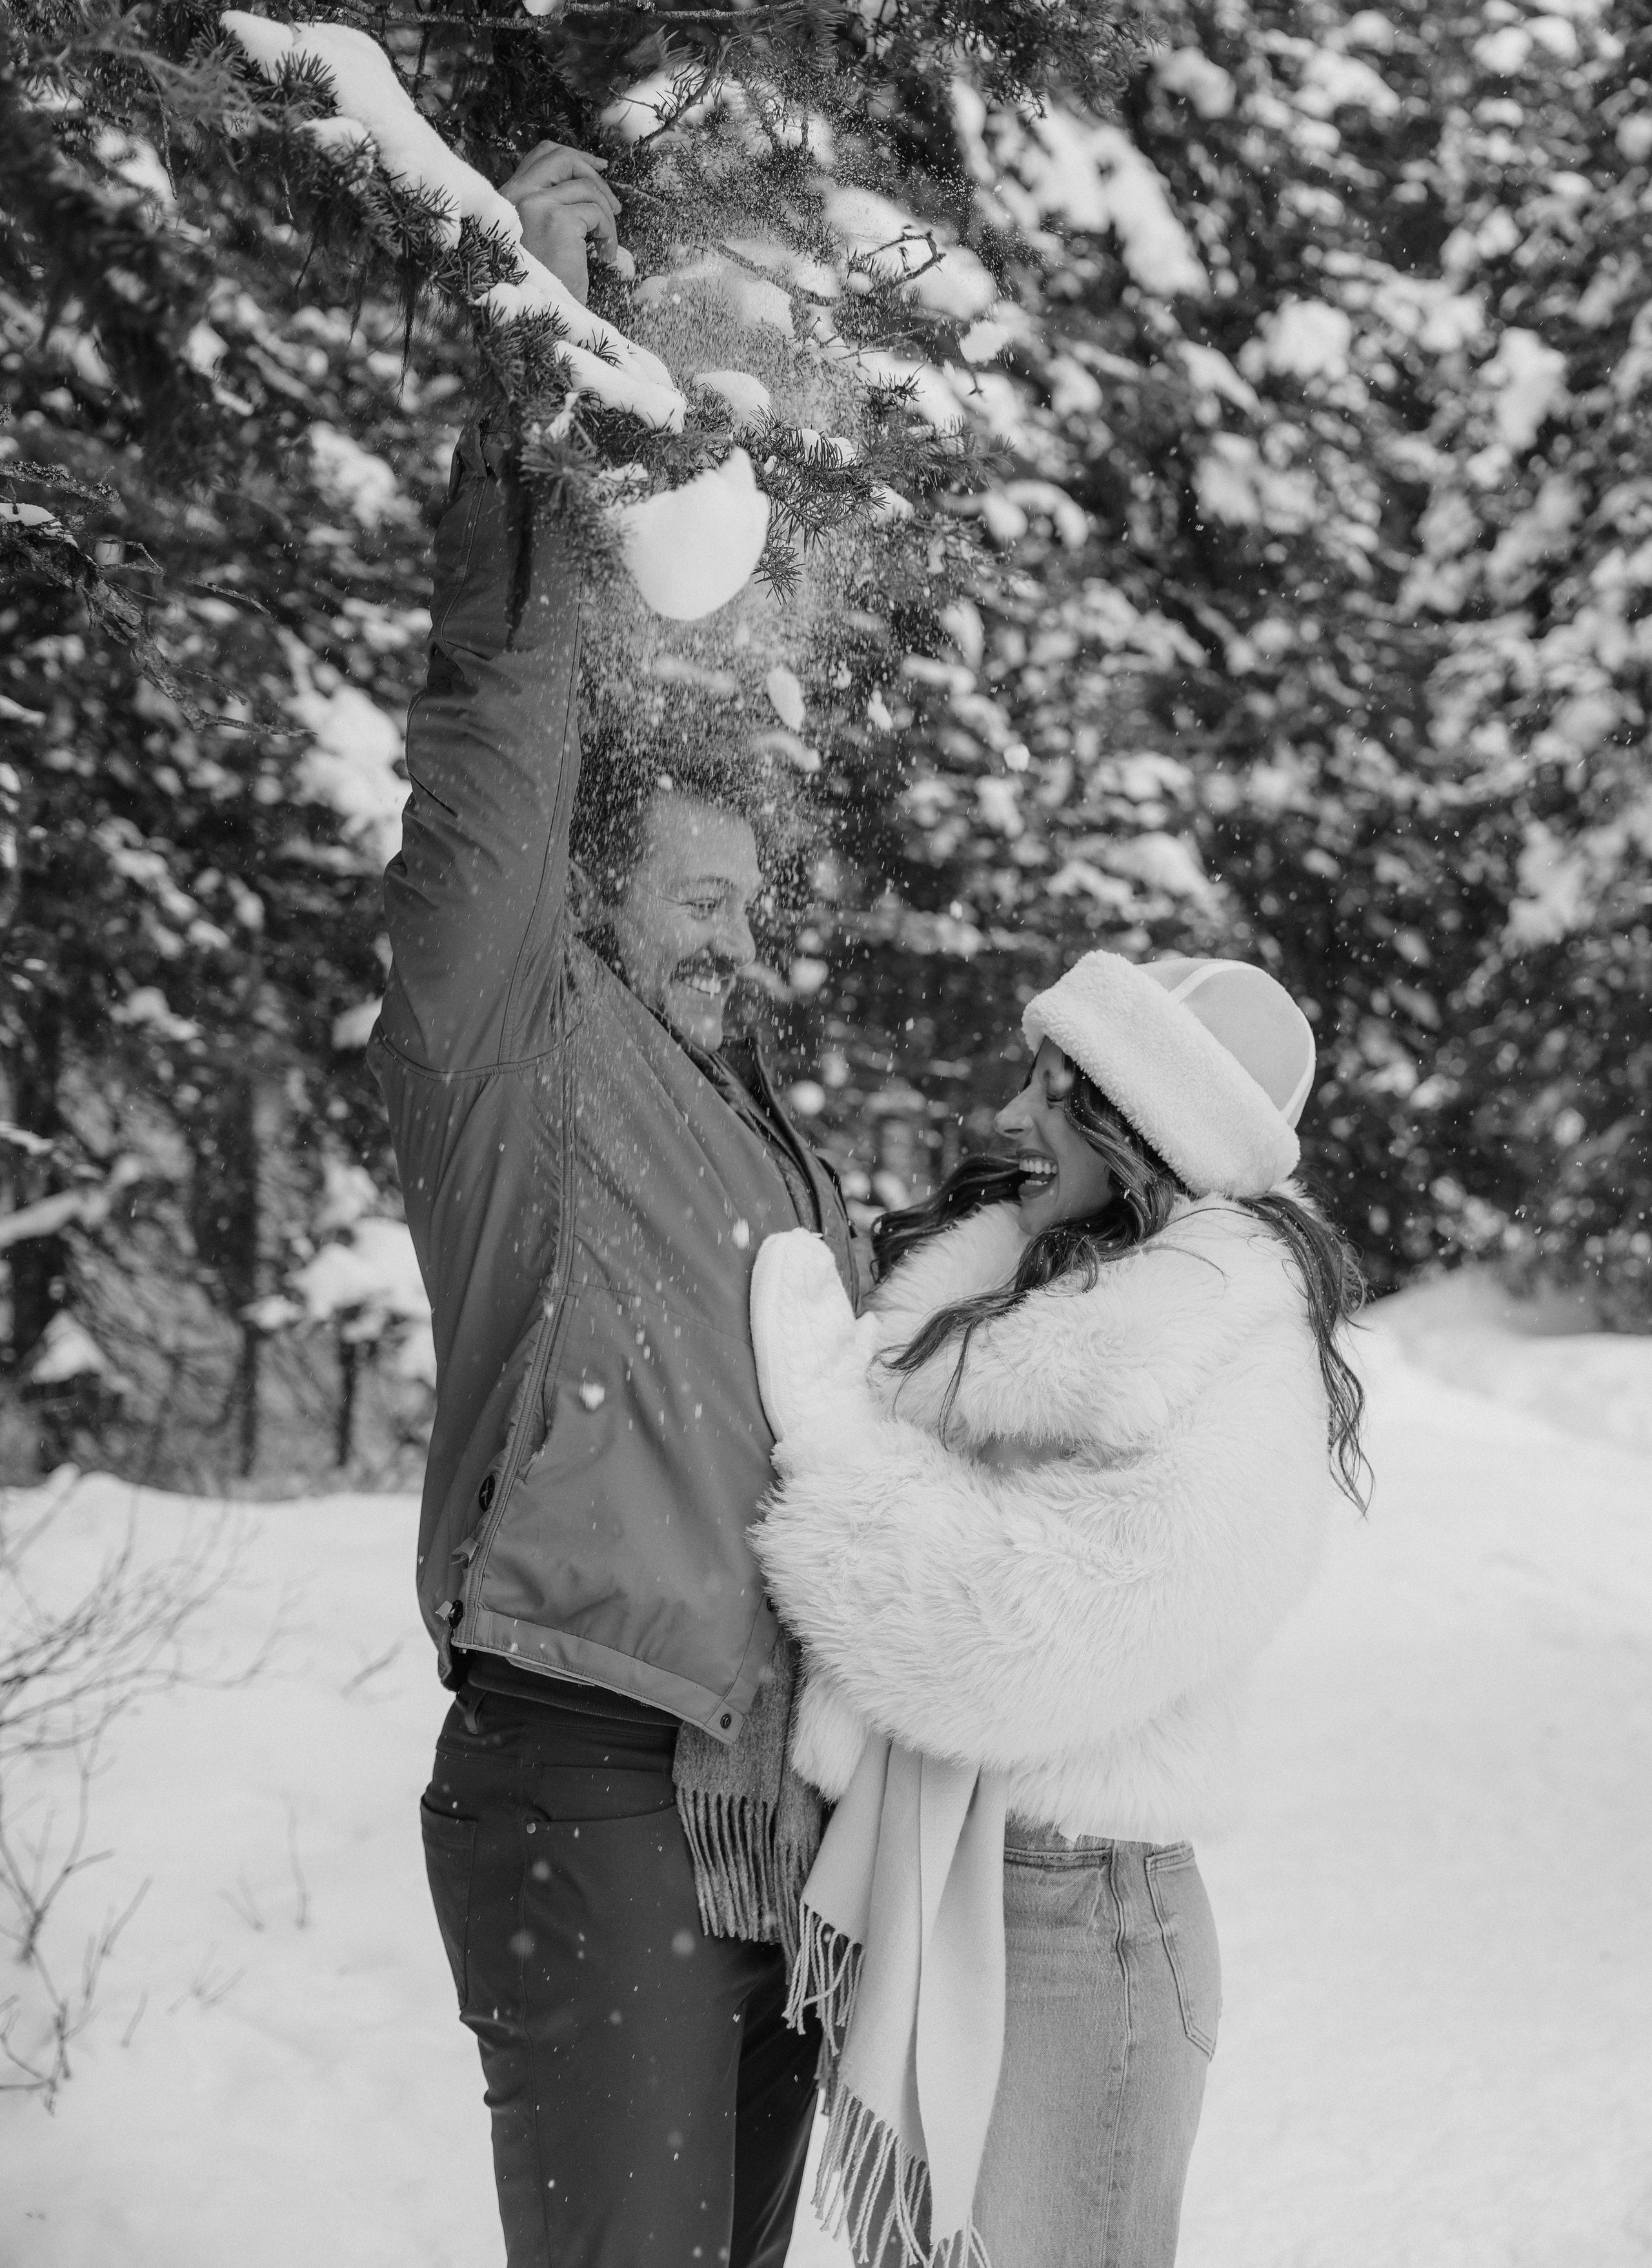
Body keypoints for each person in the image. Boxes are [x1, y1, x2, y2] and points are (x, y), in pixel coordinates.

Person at [372, 145, 857, 2268]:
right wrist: (535, 400)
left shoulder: (752, 1127)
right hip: (581, 1772)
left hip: (753, 1815)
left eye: (755, 908)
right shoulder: (525, 1052)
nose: (738, 941)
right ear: (588, 903)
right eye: (699, 897)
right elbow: (494, 733)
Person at [746, 950, 1368, 2268]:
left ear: (1141, 1130)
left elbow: (1025, 1638)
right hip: (963, 1884)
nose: (1013, 1121)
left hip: (1076, 1921)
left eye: (1054, 1095)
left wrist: (831, 1458)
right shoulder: (1019, 1294)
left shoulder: (1231, 1351)